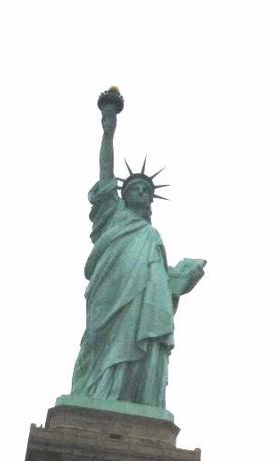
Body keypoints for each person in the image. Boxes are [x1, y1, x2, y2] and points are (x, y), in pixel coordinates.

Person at [71, 87, 206, 409]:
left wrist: (179, 278)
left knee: (138, 337)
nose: (142, 192)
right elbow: (106, 171)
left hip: (145, 296)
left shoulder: (152, 236)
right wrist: (108, 127)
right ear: (124, 194)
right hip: (111, 286)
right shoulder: (112, 214)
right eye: (134, 188)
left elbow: (161, 280)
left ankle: (132, 396)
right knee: (100, 339)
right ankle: (95, 393)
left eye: (146, 189)